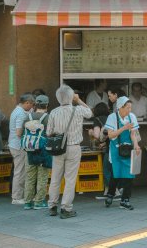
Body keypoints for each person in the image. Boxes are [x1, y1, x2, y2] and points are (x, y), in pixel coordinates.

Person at [47, 84, 92, 219]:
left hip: (58, 148)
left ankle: (52, 206)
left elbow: (49, 132)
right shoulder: (78, 110)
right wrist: (78, 100)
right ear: (71, 96)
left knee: (55, 178)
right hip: (74, 147)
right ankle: (66, 208)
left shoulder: (54, 112)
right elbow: (90, 113)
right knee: (70, 179)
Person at [104, 96, 141, 210]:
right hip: (115, 149)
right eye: (127, 107)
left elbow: (133, 134)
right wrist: (124, 127)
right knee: (117, 173)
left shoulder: (132, 117)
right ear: (120, 107)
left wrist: (136, 145)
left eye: (130, 107)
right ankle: (110, 194)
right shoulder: (112, 117)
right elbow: (110, 135)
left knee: (129, 174)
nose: (129, 110)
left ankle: (125, 200)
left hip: (128, 149)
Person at [23, 95, 52, 210]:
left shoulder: (28, 116)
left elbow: (20, 133)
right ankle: (39, 201)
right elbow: (51, 133)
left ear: (35, 105)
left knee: (30, 176)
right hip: (43, 151)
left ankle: (27, 202)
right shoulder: (48, 117)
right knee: (42, 176)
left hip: (29, 149)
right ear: (47, 105)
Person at [9, 93, 35, 205]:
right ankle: (16, 197)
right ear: (27, 103)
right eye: (31, 104)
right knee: (20, 171)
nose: (32, 107)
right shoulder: (20, 114)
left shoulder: (18, 111)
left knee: (21, 171)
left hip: (15, 145)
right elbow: (19, 132)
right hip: (18, 146)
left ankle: (20, 195)